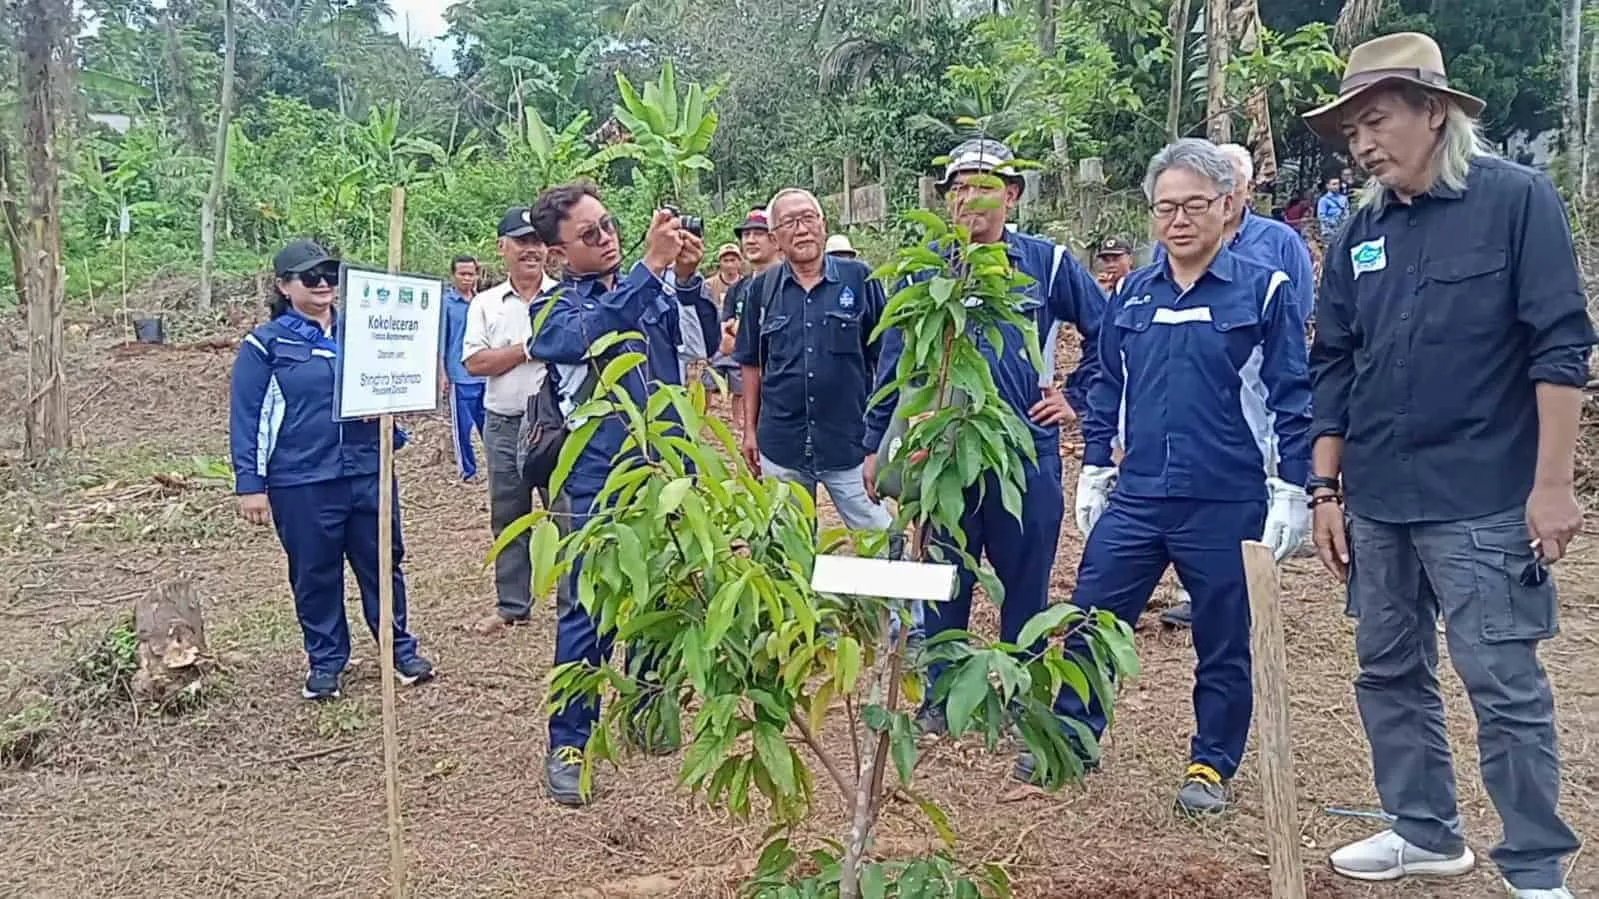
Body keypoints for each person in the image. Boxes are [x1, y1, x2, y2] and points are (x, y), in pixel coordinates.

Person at [1303, 32, 1593, 898]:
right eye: (1349, 127)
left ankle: (1536, 866)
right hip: (1379, 499)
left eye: (1375, 118)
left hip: (1483, 497)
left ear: (1434, 112)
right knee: (1387, 669)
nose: (1360, 140)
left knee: (1500, 679)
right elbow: (1333, 360)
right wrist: (1325, 486)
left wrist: (1550, 485)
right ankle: (1423, 830)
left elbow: (1559, 346)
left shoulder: (1515, 201)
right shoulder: (1360, 228)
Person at [1063, 138, 1312, 815]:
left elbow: (1293, 394)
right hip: (1139, 494)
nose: (1177, 220)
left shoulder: (1263, 290)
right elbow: (1106, 384)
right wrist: (1092, 465)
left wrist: (1292, 487)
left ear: (1227, 205)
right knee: (1091, 615)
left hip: (1225, 497)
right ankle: (1069, 736)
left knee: (1222, 636)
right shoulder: (1132, 295)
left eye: (1193, 205)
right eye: (1163, 207)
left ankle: (1210, 762)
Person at [861, 138, 1106, 757]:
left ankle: (1019, 695)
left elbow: (1110, 332)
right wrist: (875, 446)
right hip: (943, 456)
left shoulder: (1047, 264)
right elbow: (896, 362)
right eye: (958, 186)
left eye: (984, 184)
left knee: (1026, 580)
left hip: (1025, 452)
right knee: (944, 576)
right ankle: (942, 698)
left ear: (1013, 193)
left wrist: (1076, 396)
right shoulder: (926, 271)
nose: (969, 197)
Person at [525, 181, 706, 807]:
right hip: (595, 478)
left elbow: (692, 345)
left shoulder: (642, 286)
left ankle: (649, 708)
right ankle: (569, 743)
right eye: (590, 235)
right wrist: (650, 267)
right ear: (556, 253)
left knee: (664, 589)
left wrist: (682, 277)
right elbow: (595, 333)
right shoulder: (553, 311)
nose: (607, 239)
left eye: (609, 226)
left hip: (663, 471)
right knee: (587, 608)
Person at [229, 239, 435, 701]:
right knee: (315, 572)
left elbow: (396, 383)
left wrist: (394, 415)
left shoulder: (368, 331)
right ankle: (325, 662)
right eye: (310, 277)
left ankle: (399, 649)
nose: (323, 284)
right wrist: (250, 484)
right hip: (302, 479)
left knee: (383, 563)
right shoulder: (265, 345)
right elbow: (248, 416)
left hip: (367, 469)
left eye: (329, 276)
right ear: (284, 286)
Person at [1156, 141, 1318, 629]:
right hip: (1194, 391)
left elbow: (1300, 306)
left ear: (1239, 191)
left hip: (1255, 382)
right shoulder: (1175, 242)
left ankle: (1251, 586)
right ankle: (1196, 588)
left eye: (1230, 182)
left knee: (1253, 479)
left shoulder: (1277, 241)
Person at [732, 188, 896, 540]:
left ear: (823, 225)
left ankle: (893, 599)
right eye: (790, 222)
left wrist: (882, 435)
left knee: (882, 539)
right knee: (790, 549)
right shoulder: (761, 290)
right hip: (782, 444)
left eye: (808, 218)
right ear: (776, 238)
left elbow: (885, 357)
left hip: (851, 441)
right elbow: (751, 363)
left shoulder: (859, 279)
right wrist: (749, 430)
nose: (802, 229)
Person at [463, 207, 557, 635]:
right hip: (503, 423)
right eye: (521, 242)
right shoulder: (485, 304)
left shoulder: (564, 296)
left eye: (537, 241)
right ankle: (513, 605)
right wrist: (530, 347)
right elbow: (476, 363)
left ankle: (576, 598)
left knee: (568, 511)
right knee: (509, 511)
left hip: (557, 423)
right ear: (502, 248)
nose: (531, 250)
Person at [707, 209, 782, 422]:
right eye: (746, 235)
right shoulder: (739, 288)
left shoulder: (790, 283)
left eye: (759, 233)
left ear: (775, 239)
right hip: (752, 379)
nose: (750, 240)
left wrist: (740, 330)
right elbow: (727, 344)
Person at [441, 255, 486, 482]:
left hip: (484, 375)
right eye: (462, 274)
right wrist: (442, 373)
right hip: (459, 376)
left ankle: (498, 469)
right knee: (463, 429)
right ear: (453, 275)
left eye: (471, 274)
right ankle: (468, 471)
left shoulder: (483, 302)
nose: (467, 278)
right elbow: (441, 340)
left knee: (489, 426)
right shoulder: (446, 304)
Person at [707, 242, 743, 307]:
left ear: (739, 261)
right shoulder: (709, 285)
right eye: (725, 261)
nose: (729, 265)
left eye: (732, 260)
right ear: (720, 262)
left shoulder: (746, 284)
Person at [1317, 175, 1350, 243]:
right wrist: (1333, 223)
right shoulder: (1324, 200)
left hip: (1342, 230)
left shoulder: (1344, 198)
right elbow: (1321, 216)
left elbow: (1347, 212)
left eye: (1338, 184)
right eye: (1334, 184)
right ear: (1328, 186)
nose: (1336, 186)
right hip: (1329, 231)